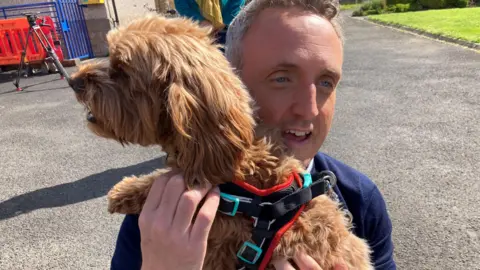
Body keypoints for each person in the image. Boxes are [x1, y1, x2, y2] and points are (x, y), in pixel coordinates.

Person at [110, 0, 397, 269]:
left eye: (326, 82)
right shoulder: (163, 213)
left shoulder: (359, 199)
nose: (309, 110)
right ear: (228, 85)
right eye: (281, 79)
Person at [174, 0, 245, 46]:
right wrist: (199, 20)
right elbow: (181, 4)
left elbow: (237, 2)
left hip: (228, 29)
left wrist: (224, 21)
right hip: (196, 30)